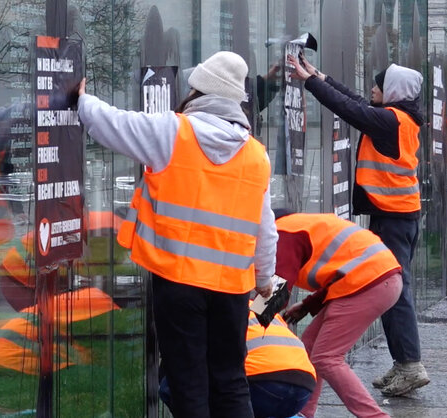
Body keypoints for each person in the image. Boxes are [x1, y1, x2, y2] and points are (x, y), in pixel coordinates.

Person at [77, 51, 278, 417]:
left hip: (178, 284)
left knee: (188, 383)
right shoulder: (256, 156)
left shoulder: (174, 132)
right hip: (232, 289)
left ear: (198, 90)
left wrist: (81, 98)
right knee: (231, 381)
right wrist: (264, 278)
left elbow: (114, 124)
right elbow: (266, 229)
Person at [287, 54, 430, 397]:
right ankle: (403, 363)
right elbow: (354, 100)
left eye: (377, 85)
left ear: (392, 91)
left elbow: (349, 109)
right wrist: (321, 76)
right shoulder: (397, 118)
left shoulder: (391, 121)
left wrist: (310, 84)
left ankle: (410, 365)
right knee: (393, 287)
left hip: (394, 217)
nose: (371, 89)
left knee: (394, 289)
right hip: (397, 214)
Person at [276, 211, 402, 417]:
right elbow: (341, 270)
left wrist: (252, 320)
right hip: (378, 278)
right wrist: (308, 305)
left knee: (327, 357)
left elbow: (276, 292)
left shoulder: (283, 231)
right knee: (309, 346)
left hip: (368, 281)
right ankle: (302, 413)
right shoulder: (302, 224)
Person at [159, 308, 315, 418]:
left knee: (171, 387)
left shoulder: (210, 308)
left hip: (260, 384)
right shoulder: (258, 306)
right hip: (304, 389)